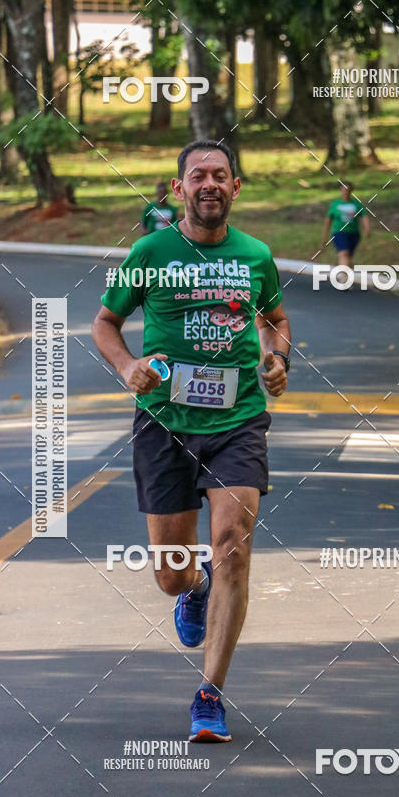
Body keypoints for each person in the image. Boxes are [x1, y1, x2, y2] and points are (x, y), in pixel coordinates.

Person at [92, 140, 291, 743]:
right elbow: (105, 322)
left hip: (238, 420)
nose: (209, 183)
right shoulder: (150, 251)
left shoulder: (255, 255)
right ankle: (193, 588)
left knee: (232, 541)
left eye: (221, 175)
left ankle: (210, 695)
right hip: (163, 422)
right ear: (178, 189)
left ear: (236, 188)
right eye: (197, 175)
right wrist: (128, 367)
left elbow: (274, 320)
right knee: (171, 573)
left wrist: (278, 358)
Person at [321, 181, 370, 270]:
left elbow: (364, 216)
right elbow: (328, 220)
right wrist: (324, 235)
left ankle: (348, 274)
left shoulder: (356, 204)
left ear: (351, 191)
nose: (346, 192)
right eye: (344, 190)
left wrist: (367, 229)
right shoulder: (335, 204)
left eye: (348, 190)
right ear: (341, 190)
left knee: (349, 257)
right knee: (344, 253)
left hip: (353, 233)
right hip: (339, 232)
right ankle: (344, 279)